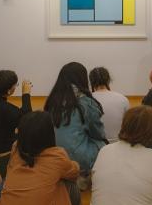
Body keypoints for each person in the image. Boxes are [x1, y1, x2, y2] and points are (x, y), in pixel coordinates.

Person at [44, 62, 106, 190]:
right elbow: (98, 133)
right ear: (83, 79)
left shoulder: (52, 101)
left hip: (54, 157)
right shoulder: (86, 102)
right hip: (78, 161)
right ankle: (84, 177)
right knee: (103, 145)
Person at [0, 111, 80, 205]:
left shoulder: (16, 148)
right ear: (49, 134)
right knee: (70, 185)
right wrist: (70, 163)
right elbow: (74, 172)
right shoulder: (56, 156)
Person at [0, 70, 33, 178]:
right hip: (5, 158)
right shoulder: (9, 110)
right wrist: (26, 94)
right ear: (9, 91)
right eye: (15, 85)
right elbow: (28, 121)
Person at [89, 67, 129, 143]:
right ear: (108, 80)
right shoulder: (123, 99)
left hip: (94, 145)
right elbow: (128, 126)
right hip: (118, 144)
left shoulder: (86, 99)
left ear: (91, 82)